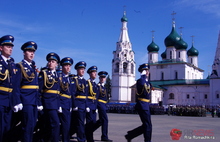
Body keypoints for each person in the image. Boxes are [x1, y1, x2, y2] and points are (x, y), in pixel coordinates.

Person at [12, 41, 42, 142]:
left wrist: (38, 102)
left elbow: (36, 87)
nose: (32, 53)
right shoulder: (19, 66)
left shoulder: (33, 68)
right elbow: (16, 86)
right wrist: (17, 101)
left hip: (33, 101)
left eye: (33, 51)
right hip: (26, 100)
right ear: (24, 53)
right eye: (29, 51)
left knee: (32, 125)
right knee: (27, 126)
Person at [125, 63, 152, 142]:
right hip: (142, 105)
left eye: (147, 70)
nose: (147, 72)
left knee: (147, 125)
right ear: (142, 72)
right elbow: (142, 85)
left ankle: (130, 135)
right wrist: (143, 76)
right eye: (145, 70)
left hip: (146, 105)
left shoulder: (147, 82)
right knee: (147, 125)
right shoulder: (140, 81)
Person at [38, 52, 61, 142]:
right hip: (47, 103)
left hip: (54, 104)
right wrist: (39, 103)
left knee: (48, 125)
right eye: (49, 61)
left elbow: (58, 93)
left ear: (56, 64)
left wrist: (58, 105)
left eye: (53, 61)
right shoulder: (43, 74)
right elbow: (39, 90)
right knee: (55, 124)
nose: (50, 63)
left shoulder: (58, 76)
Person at [0, 35, 17, 142]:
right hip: (0, 99)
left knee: (7, 128)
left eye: (11, 46)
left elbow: (14, 84)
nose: (10, 48)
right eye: (7, 46)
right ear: (1, 48)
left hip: (9, 100)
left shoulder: (12, 64)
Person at [72, 61, 89, 142]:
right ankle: (81, 139)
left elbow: (86, 95)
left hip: (84, 104)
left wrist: (87, 105)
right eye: (81, 69)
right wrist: (75, 105)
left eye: (83, 69)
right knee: (80, 123)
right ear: (77, 70)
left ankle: (81, 137)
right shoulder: (75, 80)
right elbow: (73, 93)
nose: (82, 71)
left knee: (81, 122)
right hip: (78, 104)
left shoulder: (85, 82)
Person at [59, 57, 74, 142]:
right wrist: (59, 105)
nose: (68, 67)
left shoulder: (70, 79)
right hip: (61, 103)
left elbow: (71, 94)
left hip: (68, 104)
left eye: (69, 66)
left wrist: (71, 105)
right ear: (62, 67)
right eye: (66, 65)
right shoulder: (59, 77)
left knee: (67, 125)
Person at [94, 71, 112, 141]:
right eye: (101, 77)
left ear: (105, 79)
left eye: (104, 77)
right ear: (99, 78)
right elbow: (96, 97)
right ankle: (104, 136)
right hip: (99, 104)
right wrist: (96, 107)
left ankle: (87, 131)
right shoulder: (97, 86)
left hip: (104, 105)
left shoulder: (104, 87)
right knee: (105, 120)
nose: (102, 79)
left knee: (101, 121)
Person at [85, 66, 98, 142]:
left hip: (93, 106)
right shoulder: (87, 83)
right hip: (89, 105)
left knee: (92, 123)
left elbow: (95, 96)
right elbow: (86, 95)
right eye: (93, 72)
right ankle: (89, 139)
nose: (95, 74)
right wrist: (86, 105)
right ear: (90, 73)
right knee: (89, 124)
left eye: (95, 72)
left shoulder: (95, 84)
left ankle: (89, 136)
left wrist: (96, 107)